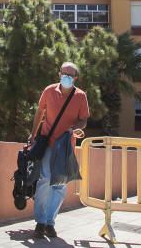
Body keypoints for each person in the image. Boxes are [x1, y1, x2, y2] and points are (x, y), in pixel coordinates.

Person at [29, 62, 89, 239]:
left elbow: (83, 119)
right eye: (64, 73)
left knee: (60, 185)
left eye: (71, 75)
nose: (67, 77)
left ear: (75, 78)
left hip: (66, 146)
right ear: (59, 74)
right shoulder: (49, 91)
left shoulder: (80, 96)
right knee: (45, 179)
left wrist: (76, 128)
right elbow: (40, 114)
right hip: (48, 142)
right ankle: (40, 222)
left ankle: (50, 222)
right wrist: (33, 136)